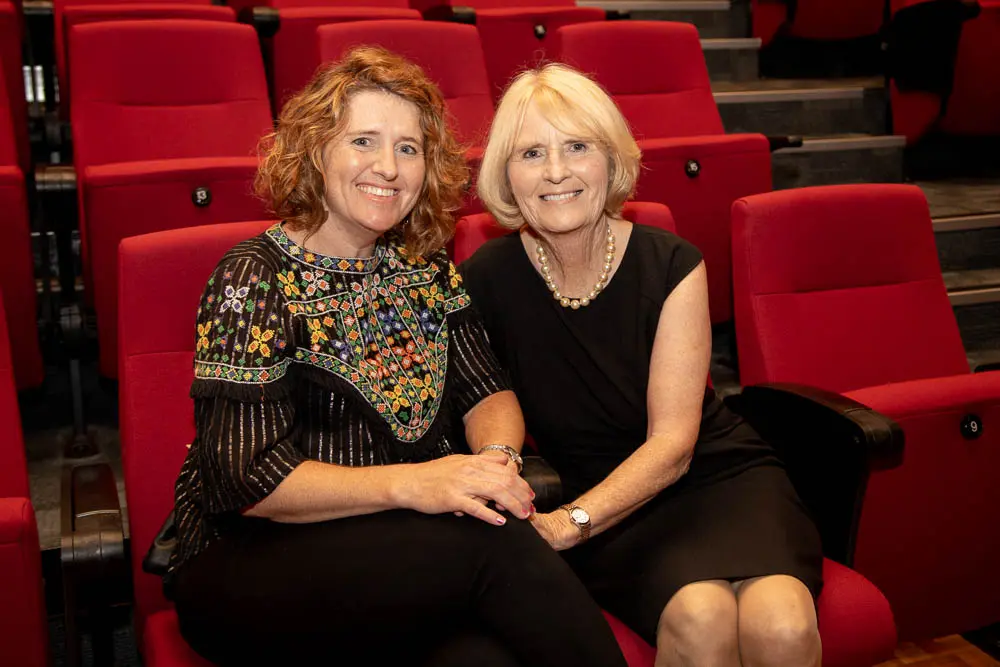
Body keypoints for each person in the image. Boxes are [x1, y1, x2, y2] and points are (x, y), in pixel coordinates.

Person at [167, 48, 628, 667]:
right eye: (363, 141)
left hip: (403, 544)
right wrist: (419, 483)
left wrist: (495, 462)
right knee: (497, 545)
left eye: (408, 148)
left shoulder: (424, 264)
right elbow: (245, 480)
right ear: (315, 151)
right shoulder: (252, 278)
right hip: (253, 557)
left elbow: (485, 388)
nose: (387, 167)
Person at [461, 63, 825, 667]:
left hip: (715, 476)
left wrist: (566, 525)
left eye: (577, 147)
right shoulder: (484, 279)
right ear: (506, 174)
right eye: (531, 153)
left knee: (782, 625)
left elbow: (674, 446)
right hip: (606, 500)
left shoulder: (671, 262)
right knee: (701, 621)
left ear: (611, 160)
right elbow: (475, 403)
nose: (556, 171)